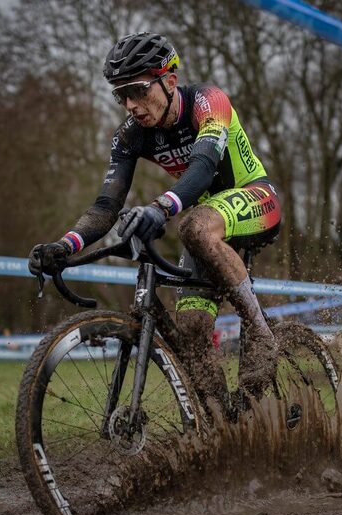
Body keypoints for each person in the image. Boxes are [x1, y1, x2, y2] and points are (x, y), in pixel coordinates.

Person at [28, 33, 282, 404]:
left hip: (256, 198)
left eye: (138, 90)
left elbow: (203, 165)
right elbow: (105, 206)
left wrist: (160, 207)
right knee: (193, 328)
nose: (131, 104)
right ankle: (226, 422)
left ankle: (261, 331)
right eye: (121, 95)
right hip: (205, 219)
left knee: (192, 225)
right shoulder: (131, 137)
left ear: (170, 81)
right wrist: (65, 245)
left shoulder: (208, 103)